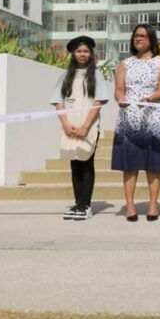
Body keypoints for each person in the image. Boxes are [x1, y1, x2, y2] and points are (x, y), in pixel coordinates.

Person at [112, 24, 160, 222]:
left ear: (151, 39)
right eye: (136, 36)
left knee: (153, 164)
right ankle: (130, 205)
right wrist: (121, 99)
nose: (138, 38)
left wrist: (150, 98)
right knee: (129, 165)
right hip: (129, 118)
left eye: (142, 36)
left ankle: (152, 204)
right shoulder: (125, 63)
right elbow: (119, 89)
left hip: (154, 117)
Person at [50, 36, 109, 220]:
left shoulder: (97, 76)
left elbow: (98, 102)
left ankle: (86, 205)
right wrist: (66, 124)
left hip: (89, 126)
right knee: (74, 163)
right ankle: (78, 204)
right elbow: (58, 102)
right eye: (79, 51)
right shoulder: (65, 76)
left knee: (86, 163)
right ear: (73, 54)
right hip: (70, 125)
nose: (82, 54)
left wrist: (85, 126)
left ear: (91, 54)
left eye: (86, 51)